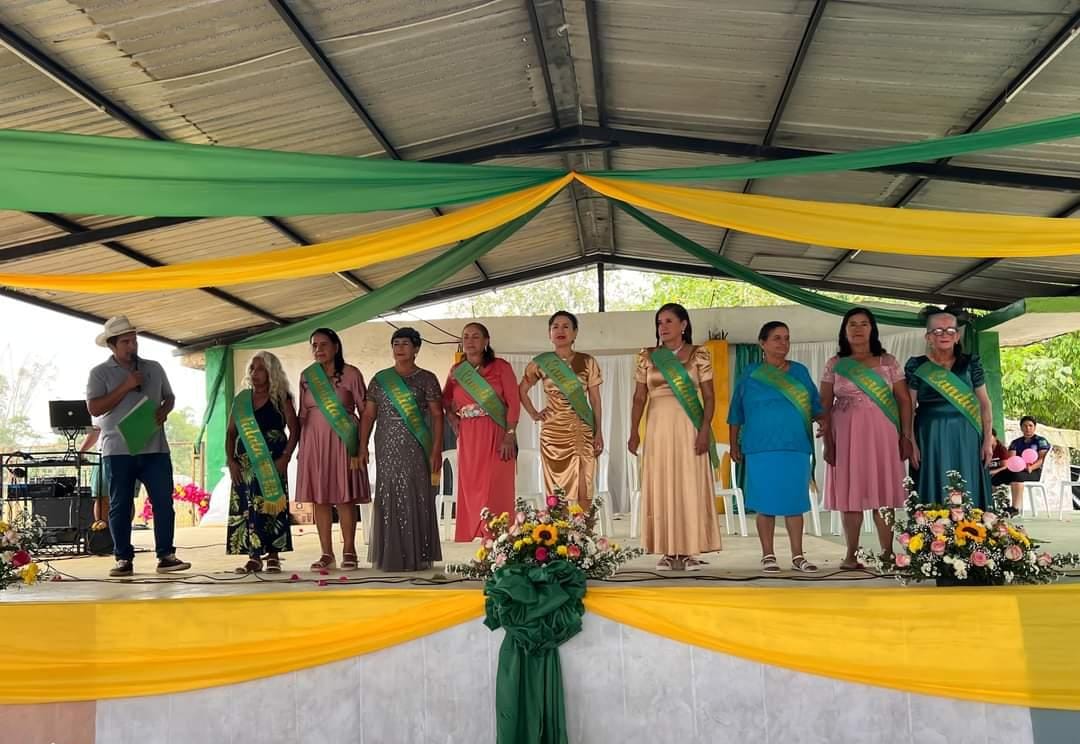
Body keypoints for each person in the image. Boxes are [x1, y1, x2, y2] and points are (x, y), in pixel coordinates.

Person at [85, 315, 190, 577]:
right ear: (112, 345)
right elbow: (94, 408)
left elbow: (170, 397)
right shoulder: (99, 373)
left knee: (163, 502)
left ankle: (166, 555)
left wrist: (165, 410)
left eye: (134, 341)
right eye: (125, 342)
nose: (132, 346)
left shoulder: (154, 367)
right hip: (119, 450)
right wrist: (126, 385)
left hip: (155, 448)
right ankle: (123, 558)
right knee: (120, 504)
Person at [627, 303, 722, 571]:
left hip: (689, 426)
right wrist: (633, 431)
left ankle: (690, 549)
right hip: (658, 429)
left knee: (689, 484)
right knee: (662, 484)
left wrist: (705, 429)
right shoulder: (647, 356)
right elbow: (639, 397)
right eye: (659, 322)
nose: (663, 327)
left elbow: (710, 396)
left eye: (669, 321)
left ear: (684, 325)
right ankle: (668, 550)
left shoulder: (699, 354)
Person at [728, 321, 826, 574]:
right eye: (777, 338)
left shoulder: (799, 372)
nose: (783, 343)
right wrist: (733, 442)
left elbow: (815, 405)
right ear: (762, 343)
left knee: (795, 503)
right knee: (765, 503)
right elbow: (736, 410)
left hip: (795, 445)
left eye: (786, 338)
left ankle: (798, 556)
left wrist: (824, 422)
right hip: (760, 446)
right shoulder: (750, 373)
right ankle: (768, 555)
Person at [820, 308, 912, 569]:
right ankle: (851, 554)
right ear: (844, 330)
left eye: (864, 324)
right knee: (851, 494)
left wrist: (906, 436)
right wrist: (828, 442)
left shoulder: (888, 361)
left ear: (872, 329)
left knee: (883, 492)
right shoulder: (835, 363)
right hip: (846, 434)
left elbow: (904, 400)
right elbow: (824, 404)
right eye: (852, 324)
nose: (858, 329)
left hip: (883, 433)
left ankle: (888, 553)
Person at [361, 328, 444, 571]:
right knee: (388, 492)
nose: (400, 348)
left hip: (416, 443)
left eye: (405, 344)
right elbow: (368, 415)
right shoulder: (380, 379)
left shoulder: (427, 378)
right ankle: (391, 555)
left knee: (415, 492)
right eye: (396, 343)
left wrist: (436, 449)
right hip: (386, 441)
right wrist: (362, 445)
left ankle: (417, 554)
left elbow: (437, 415)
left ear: (416, 348)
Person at [295, 328, 370, 571]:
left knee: (344, 497)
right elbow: (302, 414)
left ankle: (349, 550)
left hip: (343, 442)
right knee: (320, 498)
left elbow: (366, 411)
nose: (318, 349)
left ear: (336, 347)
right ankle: (326, 553)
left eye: (323, 344)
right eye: (314, 345)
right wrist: (300, 447)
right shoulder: (307, 376)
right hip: (313, 442)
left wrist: (362, 445)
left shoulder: (351, 374)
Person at [904, 307, 993, 508]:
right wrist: (911, 441)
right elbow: (909, 406)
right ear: (928, 337)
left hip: (967, 434)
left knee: (968, 484)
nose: (944, 335)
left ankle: (971, 527)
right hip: (929, 436)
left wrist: (988, 440)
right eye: (937, 331)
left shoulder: (971, 363)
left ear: (957, 336)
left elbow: (985, 403)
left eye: (950, 330)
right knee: (932, 485)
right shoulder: (916, 365)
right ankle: (931, 526)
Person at [443, 323, 520, 542]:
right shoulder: (457, 371)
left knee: (495, 485)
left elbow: (514, 403)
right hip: (469, 434)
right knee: (472, 485)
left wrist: (509, 435)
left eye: (475, 336)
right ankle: (477, 533)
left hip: (497, 432)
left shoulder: (501, 367)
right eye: (466, 336)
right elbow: (445, 400)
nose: (470, 341)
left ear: (486, 341)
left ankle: (499, 536)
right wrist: (453, 419)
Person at [519, 311, 603, 510]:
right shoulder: (541, 362)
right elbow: (521, 390)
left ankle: (584, 527)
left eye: (566, 326)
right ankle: (559, 527)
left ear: (575, 332)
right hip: (553, 433)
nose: (560, 330)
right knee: (556, 488)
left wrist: (599, 431)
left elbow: (595, 400)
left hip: (581, 429)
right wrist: (534, 413)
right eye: (555, 326)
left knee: (584, 483)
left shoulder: (587, 361)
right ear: (549, 333)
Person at [226, 351, 299, 573]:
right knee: (248, 508)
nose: (254, 373)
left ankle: (274, 555)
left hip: (272, 463)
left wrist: (286, 457)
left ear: (271, 372)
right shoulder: (241, 400)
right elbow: (230, 433)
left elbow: (295, 429)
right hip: (245, 466)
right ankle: (254, 556)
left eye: (260, 369)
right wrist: (231, 462)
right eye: (252, 368)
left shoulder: (281, 398)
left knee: (272, 505)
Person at [1005, 416, 1052, 513]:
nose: (1028, 428)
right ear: (1021, 428)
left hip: (1034, 471)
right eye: (1025, 426)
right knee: (997, 477)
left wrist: (1031, 467)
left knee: (1017, 476)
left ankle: (1015, 508)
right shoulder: (1015, 442)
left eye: (1030, 426)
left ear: (1034, 427)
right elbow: (1011, 458)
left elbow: (1041, 459)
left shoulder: (1040, 441)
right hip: (1018, 469)